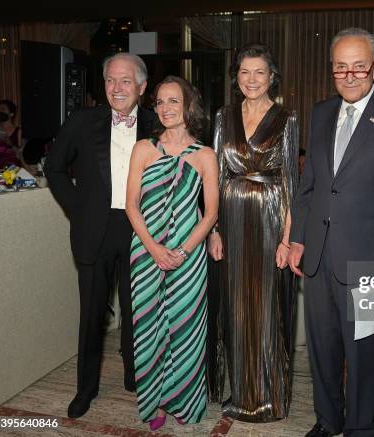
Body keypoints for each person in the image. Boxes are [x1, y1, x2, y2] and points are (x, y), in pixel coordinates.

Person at [288, 28, 374, 437]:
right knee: (323, 351)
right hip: (319, 258)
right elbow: (309, 183)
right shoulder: (322, 112)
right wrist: (297, 237)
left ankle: (363, 428)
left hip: (372, 262)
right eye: (340, 68)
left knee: (365, 356)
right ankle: (328, 421)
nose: (349, 76)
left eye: (358, 67)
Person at [45, 53, 157, 419]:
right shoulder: (82, 121)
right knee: (92, 314)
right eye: (111, 80)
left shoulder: (158, 125)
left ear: (141, 87)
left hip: (141, 230)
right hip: (95, 229)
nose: (117, 88)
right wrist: (76, 208)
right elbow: (55, 167)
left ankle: (135, 376)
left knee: (137, 310)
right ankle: (85, 389)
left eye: (126, 81)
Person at [208, 42, 299, 422]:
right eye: (244, 72)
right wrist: (213, 229)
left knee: (266, 307)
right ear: (236, 77)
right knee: (235, 306)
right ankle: (240, 391)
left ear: (272, 76)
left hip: (270, 217)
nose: (251, 79)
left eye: (259, 72)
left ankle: (269, 396)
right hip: (229, 217)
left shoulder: (286, 117)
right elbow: (214, 175)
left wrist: (287, 237)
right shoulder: (223, 116)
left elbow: (292, 178)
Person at [126, 75, 218, 430]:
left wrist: (180, 250)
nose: (165, 109)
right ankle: (154, 404)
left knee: (186, 329)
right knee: (149, 327)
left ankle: (184, 401)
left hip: (188, 255)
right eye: (159, 103)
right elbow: (131, 205)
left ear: (188, 106)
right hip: (146, 251)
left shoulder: (205, 155)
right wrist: (154, 249)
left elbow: (210, 213)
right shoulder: (144, 149)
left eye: (173, 101)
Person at [0, 99, 21, 168]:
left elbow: (20, 155)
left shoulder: (18, 131)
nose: (0, 111)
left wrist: (10, 143)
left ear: (11, 114)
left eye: (3, 109)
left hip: (12, 169)